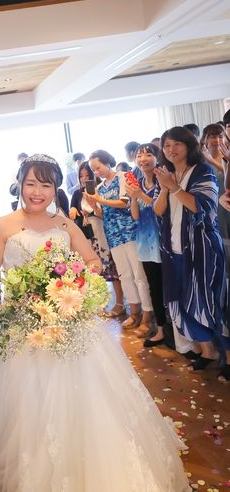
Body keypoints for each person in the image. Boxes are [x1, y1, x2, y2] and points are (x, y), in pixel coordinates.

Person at [0, 154, 190, 492]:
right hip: (24, 327)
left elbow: (92, 261)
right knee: (29, 402)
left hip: (67, 321)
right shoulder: (3, 225)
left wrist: (73, 282)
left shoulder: (64, 225)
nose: (37, 192)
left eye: (45, 185)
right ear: (20, 185)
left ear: (55, 189)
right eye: (30, 184)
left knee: (85, 400)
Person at [154, 126, 230, 380]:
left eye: (176, 144)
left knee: (211, 302)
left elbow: (203, 207)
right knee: (183, 302)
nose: (171, 149)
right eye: (167, 145)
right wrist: (166, 187)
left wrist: (174, 187)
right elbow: (158, 211)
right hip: (174, 249)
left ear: (189, 145)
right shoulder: (168, 174)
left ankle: (228, 357)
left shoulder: (203, 171)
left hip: (203, 249)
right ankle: (208, 352)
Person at [85, 150, 153, 330]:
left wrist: (100, 200)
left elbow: (125, 202)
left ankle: (148, 313)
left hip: (130, 232)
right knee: (124, 275)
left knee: (139, 274)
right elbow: (103, 214)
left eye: (98, 167)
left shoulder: (123, 176)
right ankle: (134, 312)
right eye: (94, 170)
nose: (96, 172)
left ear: (107, 162)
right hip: (113, 235)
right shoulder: (100, 188)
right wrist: (94, 206)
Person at [125, 144, 173, 346]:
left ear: (157, 157)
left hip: (164, 241)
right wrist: (133, 196)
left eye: (148, 154)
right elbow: (135, 216)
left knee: (169, 286)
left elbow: (159, 209)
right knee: (154, 286)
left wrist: (138, 194)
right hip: (145, 241)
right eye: (139, 155)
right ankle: (160, 329)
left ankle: (177, 332)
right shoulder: (139, 183)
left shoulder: (164, 180)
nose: (143, 158)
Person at [69, 162, 124, 316]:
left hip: (103, 234)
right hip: (87, 236)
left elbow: (105, 213)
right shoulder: (77, 193)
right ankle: (97, 303)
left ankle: (119, 303)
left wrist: (93, 207)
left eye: (88, 175)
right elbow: (72, 210)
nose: (84, 179)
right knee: (92, 271)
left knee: (111, 269)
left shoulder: (100, 190)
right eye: (81, 176)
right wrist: (74, 210)